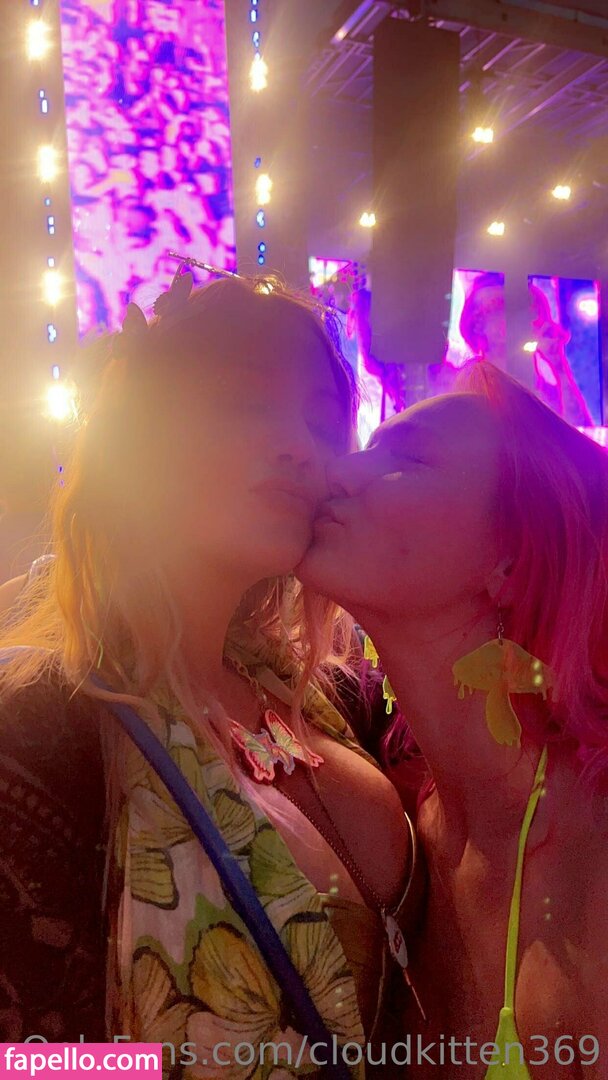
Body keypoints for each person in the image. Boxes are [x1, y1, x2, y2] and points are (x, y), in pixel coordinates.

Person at [0, 271, 417, 1076]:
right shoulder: (42, 724)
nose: (300, 444)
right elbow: (23, 1059)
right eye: (245, 402)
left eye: (321, 419)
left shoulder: (333, 696)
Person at [299, 361, 608, 1079]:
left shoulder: (595, 854)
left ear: (511, 560)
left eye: (408, 458)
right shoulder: (395, 834)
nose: (339, 469)